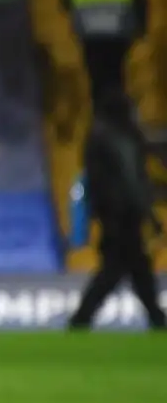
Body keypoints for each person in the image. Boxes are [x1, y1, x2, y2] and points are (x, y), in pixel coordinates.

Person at [68, 89, 166, 330]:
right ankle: (82, 318)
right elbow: (105, 182)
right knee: (120, 270)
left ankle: (154, 317)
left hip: (126, 214)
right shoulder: (106, 139)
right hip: (117, 216)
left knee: (130, 268)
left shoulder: (126, 137)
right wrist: (109, 213)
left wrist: (148, 214)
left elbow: (137, 181)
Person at [65, 0, 148, 109]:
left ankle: (100, 113)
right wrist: (142, 27)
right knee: (117, 73)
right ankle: (117, 111)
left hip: (89, 33)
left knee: (95, 75)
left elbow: (65, 1)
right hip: (119, 31)